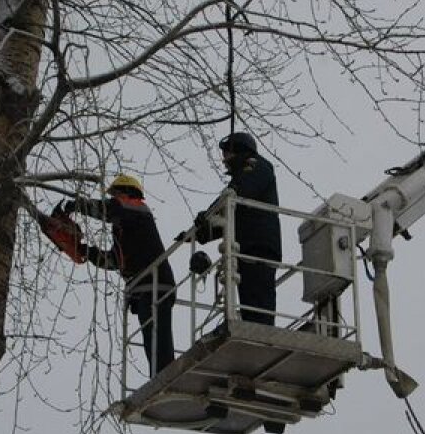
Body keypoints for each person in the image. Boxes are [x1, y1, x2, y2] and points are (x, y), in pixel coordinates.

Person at [65, 175, 176, 375]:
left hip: (156, 284)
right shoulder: (126, 228)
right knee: (152, 344)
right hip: (144, 288)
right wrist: (85, 251)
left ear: (126, 193)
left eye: (115, 195)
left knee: (158, 344)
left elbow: (108, 209)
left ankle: (165, 378)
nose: (114, 199)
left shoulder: (138, 208)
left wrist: (76, 205)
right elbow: (115, 261)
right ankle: (160, 377)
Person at [194, 132, 281, 325]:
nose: (224, 160)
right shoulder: (239, 181)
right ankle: (255, 329)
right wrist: (202, 230)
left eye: (226, 154)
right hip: (245, 247)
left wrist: (211, 214)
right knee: (250, 302)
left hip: (260, 247)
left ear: (239, 150)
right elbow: (230, 215)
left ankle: (261, 334)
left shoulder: (257, 166)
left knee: (259, 303)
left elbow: (238, 194)